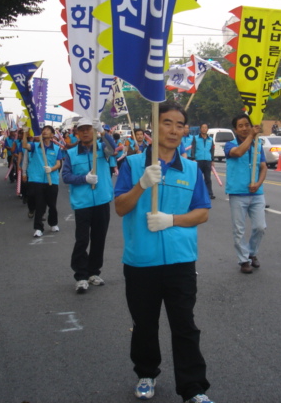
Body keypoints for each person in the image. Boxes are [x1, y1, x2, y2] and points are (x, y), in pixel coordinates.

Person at [114, 101, 213, 403]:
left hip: (181, 261)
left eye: (179, 125)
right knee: (145, 324)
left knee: (185, 325)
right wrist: (142, 184)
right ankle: (146, 373)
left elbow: (202, 213)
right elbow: (120, 208)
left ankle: (193, 388)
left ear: (185, 130)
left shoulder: (192, 169)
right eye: (166, 123)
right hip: (141, 261)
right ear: (155, 126)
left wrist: (172, 220)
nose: (173, 130)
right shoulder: (131, 165)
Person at [61, 117, 115, 294]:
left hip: (101, 200)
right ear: (76, 133)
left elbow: (114, 149)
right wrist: (83, 179)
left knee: (99, 238)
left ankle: (93, 272)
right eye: (81, 129)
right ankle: (81, 276)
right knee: (82, 239)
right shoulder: (70, 153)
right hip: (82, 203)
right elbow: (66, 176)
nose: (85, 132)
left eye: (88, 129)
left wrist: (103, 131)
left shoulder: (102, 149)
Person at [225, 115, 268, 274]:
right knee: (239, 229)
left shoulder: (258, 145)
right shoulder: (230, 145)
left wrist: (258, 183)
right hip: (237, 193)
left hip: (256, 193)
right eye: (240, 126)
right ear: (235, 129)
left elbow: (263, 167)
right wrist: (251, 136)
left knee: (260, 227)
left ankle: (252, 253)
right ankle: (243, 260)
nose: (244, 128)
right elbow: (238, 153)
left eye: (247, 125)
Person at [22, 125, 62, 237]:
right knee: (39, 205)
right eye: (43, 130)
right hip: (37, 180)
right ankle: (38, 228)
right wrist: (25, 133)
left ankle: (53, 223)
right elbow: (25, 145)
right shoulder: (35, 146)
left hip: (52, 180)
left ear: (52, 135)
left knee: (52, 205)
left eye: (48, 130)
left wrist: (51, 169)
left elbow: (58, 164)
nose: (45, 132)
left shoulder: (57, 149)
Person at [191, 123, 215, 199]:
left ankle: (209, 193)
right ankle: (196, 193)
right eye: (203, 127)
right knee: (197, 177)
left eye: (205, 127)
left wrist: (212, 160)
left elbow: (212, 150)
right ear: (200, 129)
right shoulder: (196, 138)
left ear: (207, 129)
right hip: (198, 160)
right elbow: (193, 148)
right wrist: (193, 158)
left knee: (208, 178)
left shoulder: (210, 139)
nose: (204, 129)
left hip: (207, 160)